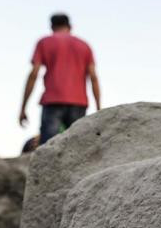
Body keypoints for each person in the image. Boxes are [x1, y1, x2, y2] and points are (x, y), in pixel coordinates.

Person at [19, 13, 101, 144]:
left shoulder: (44, 42)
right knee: (76, 145)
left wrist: (23, 107)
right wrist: (98, 108)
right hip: (78, 102)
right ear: (70, 26)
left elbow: (34, 74)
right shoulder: (84, 46)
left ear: (52, 26)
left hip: (52, 101)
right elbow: (93, 77)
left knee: (49, 146)